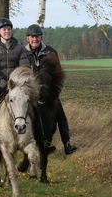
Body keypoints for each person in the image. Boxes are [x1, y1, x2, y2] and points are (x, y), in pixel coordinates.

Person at [0, 18, 56, 162]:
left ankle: (43, 143)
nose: (7, 31)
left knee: (34, 109)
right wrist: (0, 81)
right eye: (4, 29)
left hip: (16, 87)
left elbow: (24, 67)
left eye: (9, 29)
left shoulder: (19, 48)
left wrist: (17, 82)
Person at [25, 24, 78, 155]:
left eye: (37, 36)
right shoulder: (23, 53)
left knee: (60, 113)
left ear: (41, 37)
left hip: (47, 91)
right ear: (28, 38)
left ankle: (67, 143)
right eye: (32, 37)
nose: (34, 39)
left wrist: (52, 93)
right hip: (30, 92)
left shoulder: (50, 52)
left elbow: (57, 74)